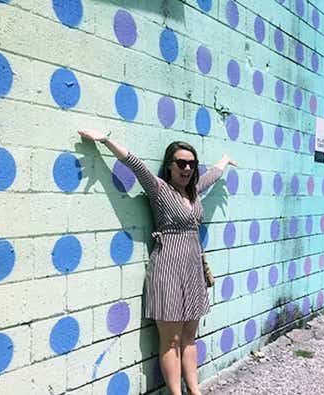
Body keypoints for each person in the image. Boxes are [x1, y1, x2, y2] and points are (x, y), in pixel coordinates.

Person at [78, 129, 236, 395]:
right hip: (168, 269)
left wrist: (224, 160)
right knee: (171, 340)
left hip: (193, 270)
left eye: (191, 163)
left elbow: (211, 177)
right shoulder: (160, 189)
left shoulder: (194, 193)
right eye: (181, 163)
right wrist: (105, 140)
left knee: (189, 336)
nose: (186, 168)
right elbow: (134, 163)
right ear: (170, 166)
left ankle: (194, 390)